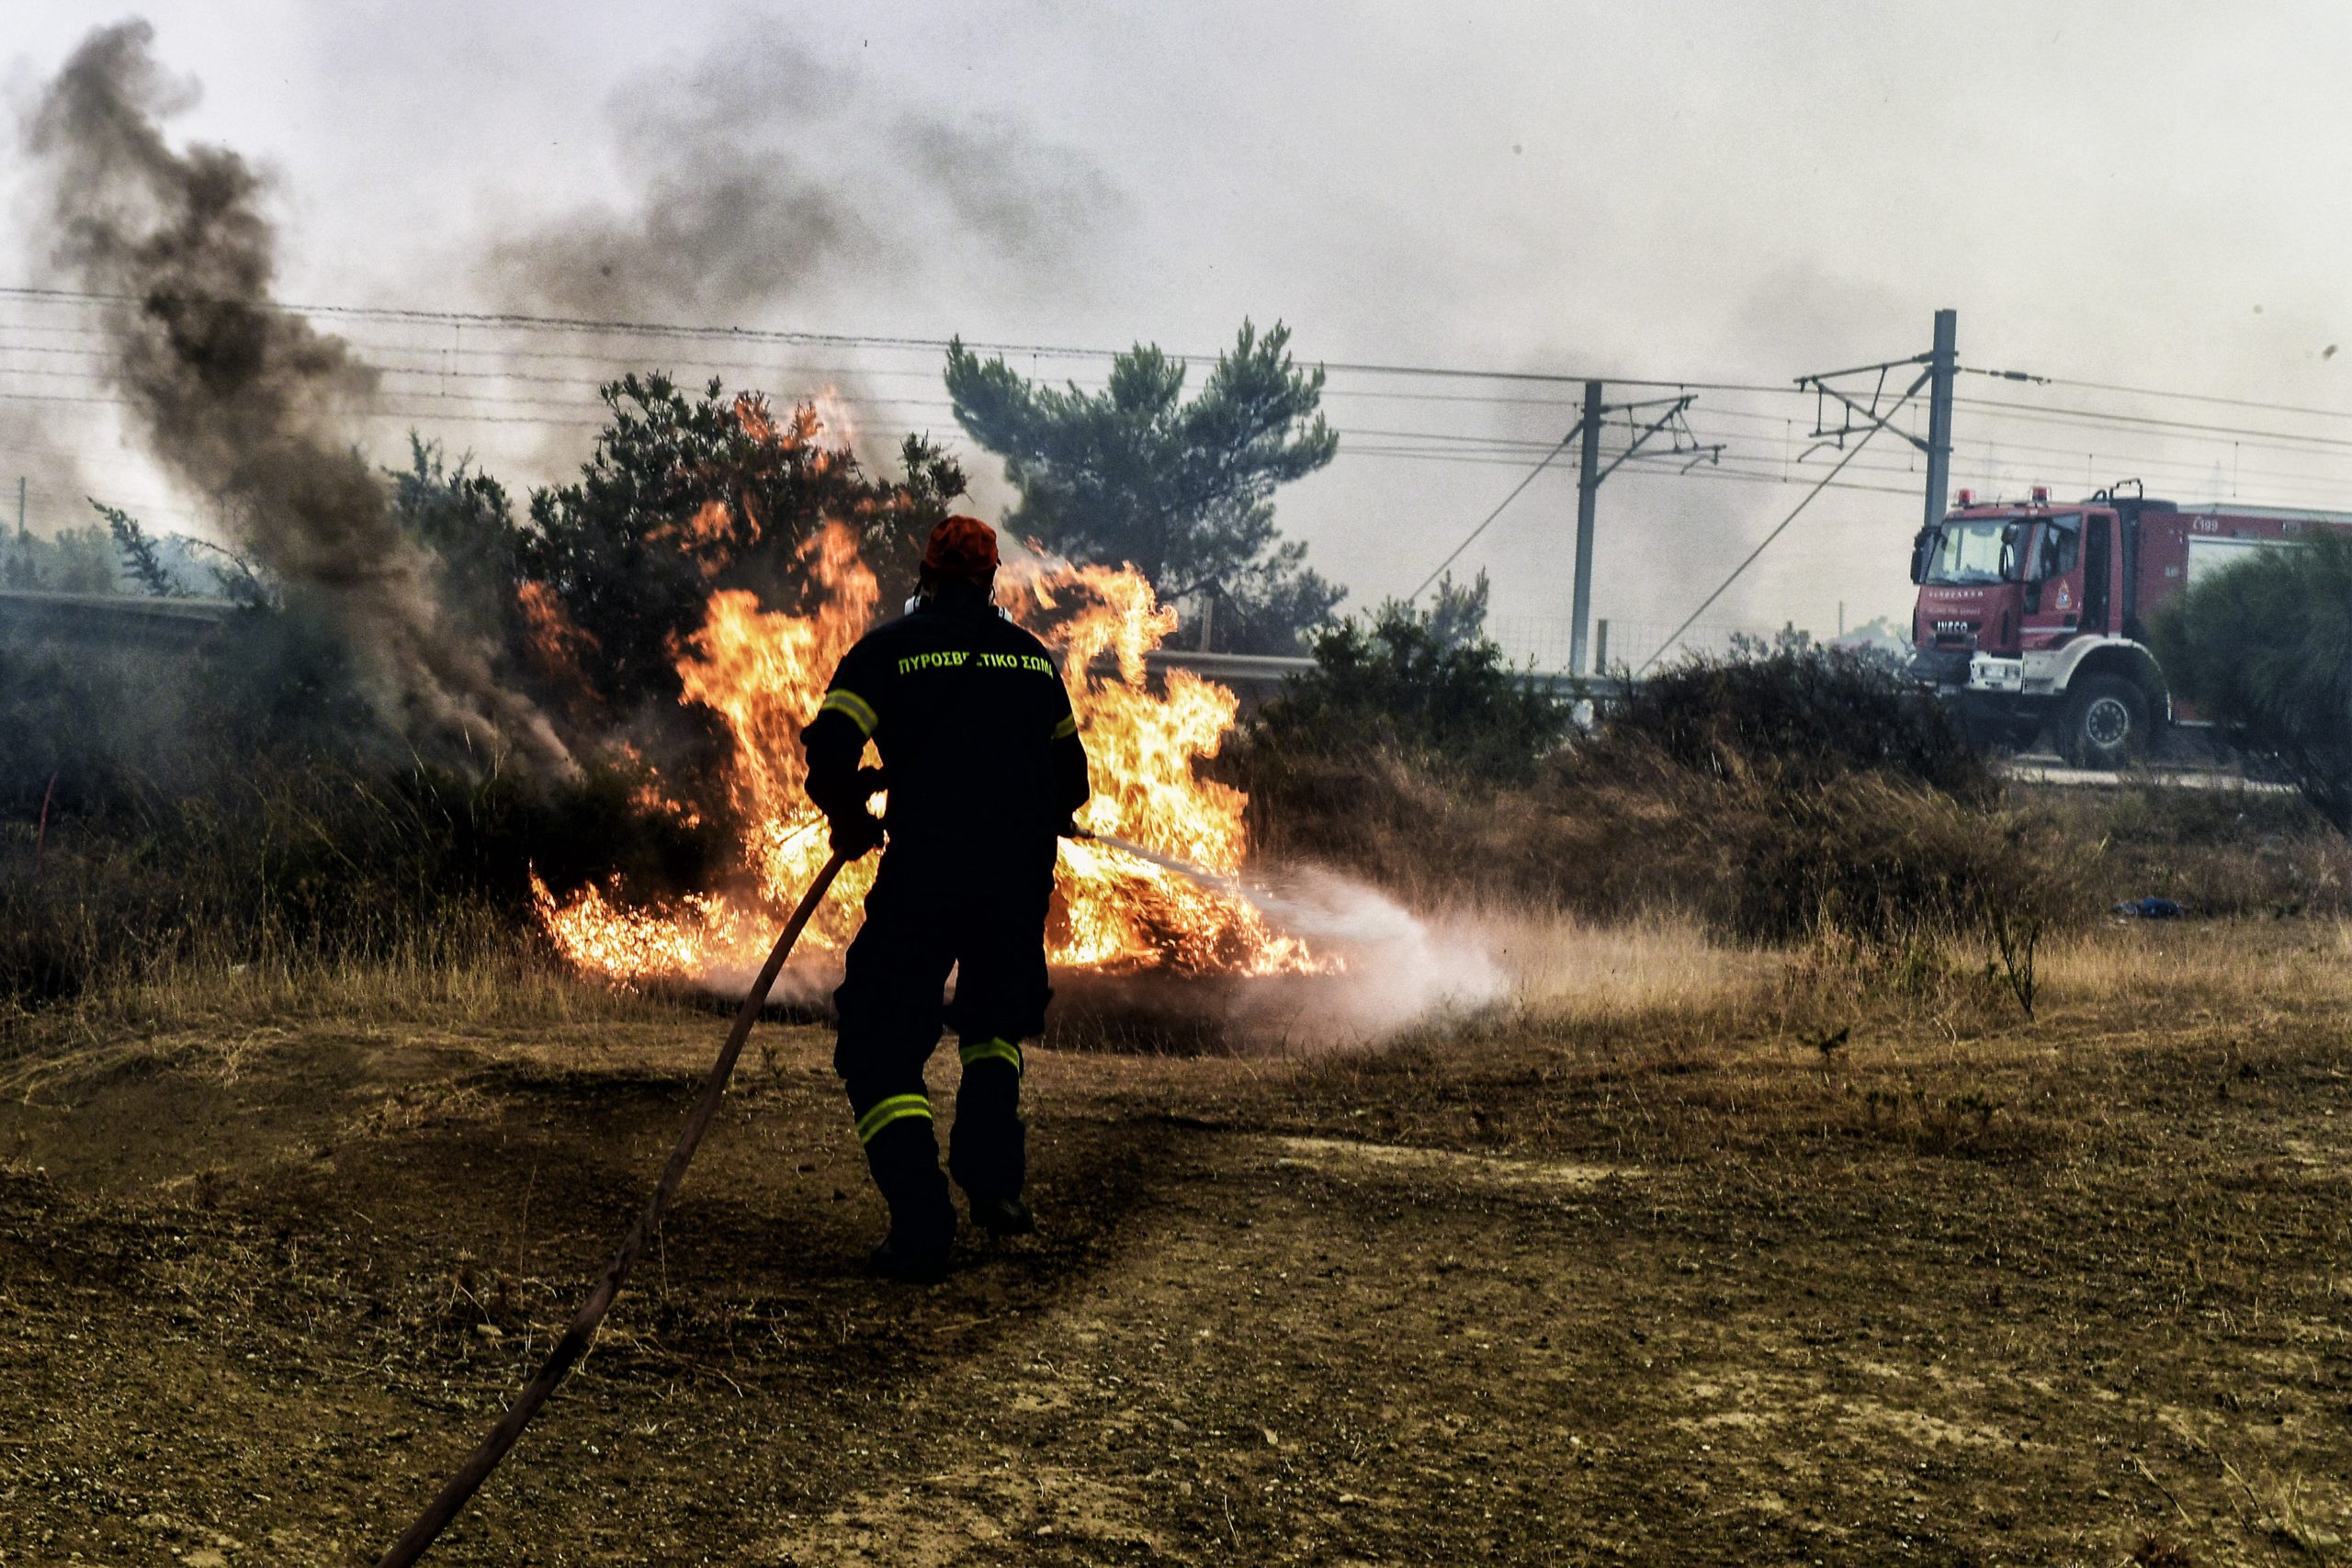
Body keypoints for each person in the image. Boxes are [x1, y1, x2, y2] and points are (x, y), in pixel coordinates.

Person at [800, 514, 1091, 1282]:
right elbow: (1075, 784)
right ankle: (994, 1182)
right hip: (1014, 882)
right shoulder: (1033, 662)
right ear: (991, 580)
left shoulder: (889, 650)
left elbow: (828, 752)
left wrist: (853, 820)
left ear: (925, 574)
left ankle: (923, 1219)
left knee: (878, 1038)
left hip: (925, 878)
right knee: (994, 1027)